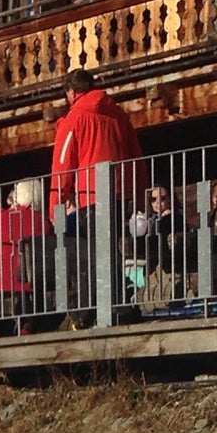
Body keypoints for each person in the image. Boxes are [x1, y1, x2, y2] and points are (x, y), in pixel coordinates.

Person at [50, 69, 143, 300]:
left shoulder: (75, 118)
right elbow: (137, 158)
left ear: (71, 92)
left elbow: (62, 165)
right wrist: (140, 198)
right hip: (120, 195)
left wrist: (55, 206)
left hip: (90, 195)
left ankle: (97, 306)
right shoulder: (119, 116)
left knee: (93, 253)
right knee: (111, 249)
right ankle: (119, 300)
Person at [0, 178, 51, 328]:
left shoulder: (0, 217)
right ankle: (28, 327)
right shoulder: (40, 221)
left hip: (1, 279)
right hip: (27, 279)